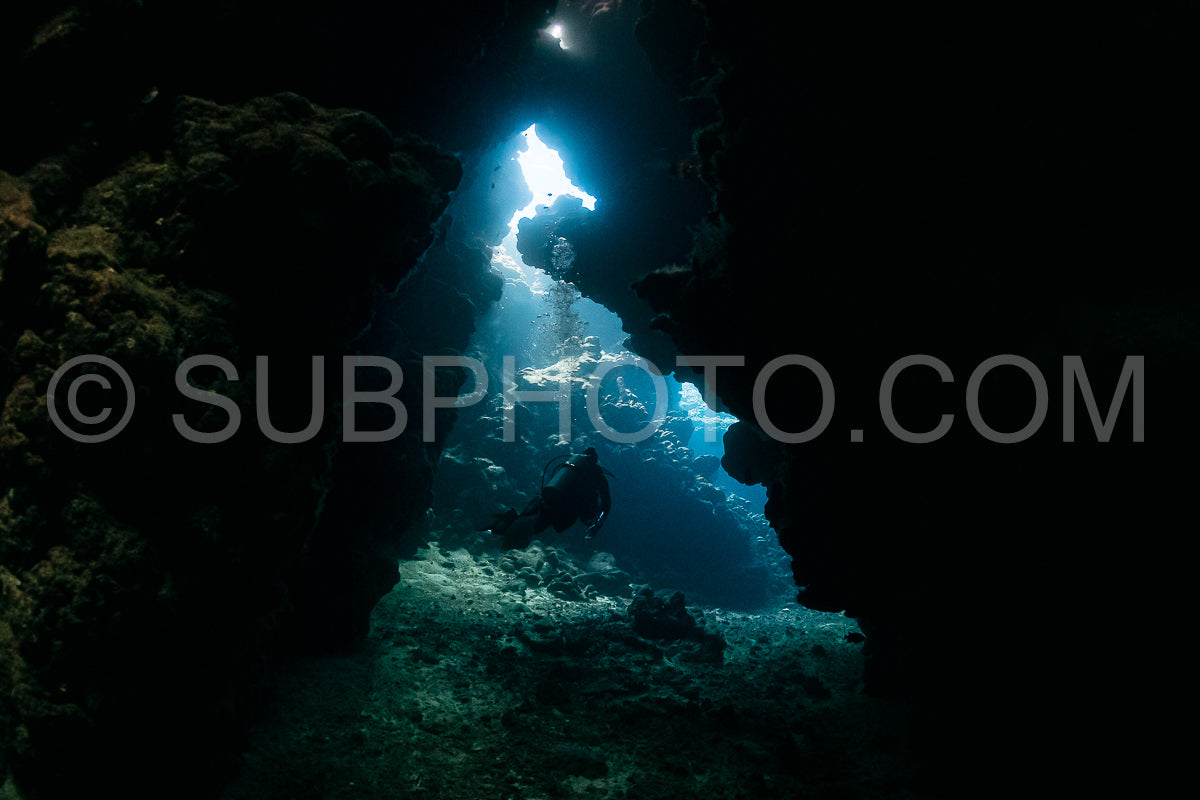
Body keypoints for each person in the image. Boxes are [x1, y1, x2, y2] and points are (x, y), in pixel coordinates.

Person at [488, 447, 612, 549]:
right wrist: (597, 523)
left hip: (547, 499)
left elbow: (553, 481)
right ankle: (500, 537)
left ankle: (497, 529)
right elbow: (606, 505)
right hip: (565, 510)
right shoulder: (598, 477)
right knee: (533, 528)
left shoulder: (570, 465)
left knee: (527, 521)